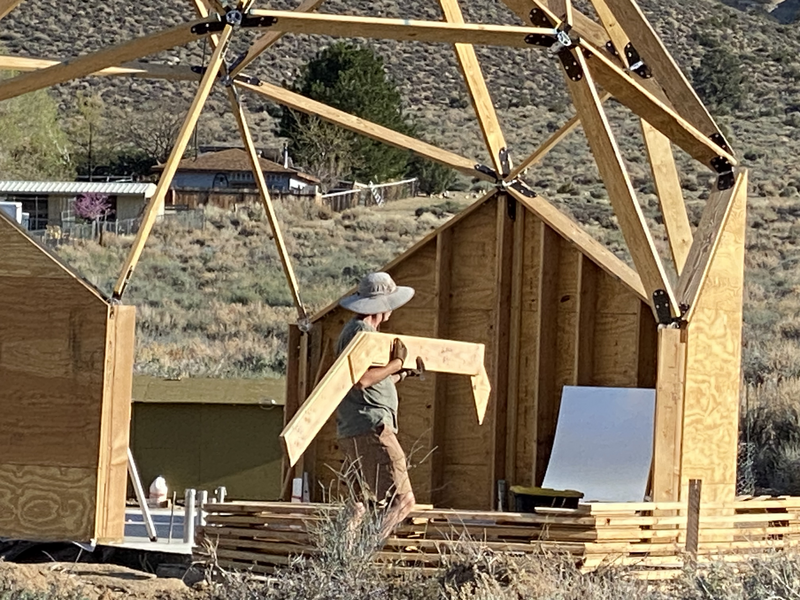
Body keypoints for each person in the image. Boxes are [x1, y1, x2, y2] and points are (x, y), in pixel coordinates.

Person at [336, 271, 418, 539]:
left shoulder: (357, 332)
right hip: (372, 427)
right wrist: (395, 362)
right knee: (402, 501)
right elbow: (361, 380)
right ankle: (362, 555)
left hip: (358, 425)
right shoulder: (361, 332)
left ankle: (345, 560)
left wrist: (399, 374)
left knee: (360, 505)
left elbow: (371, 382)